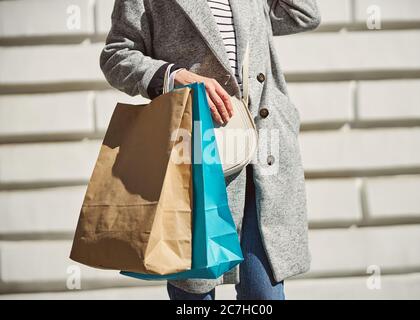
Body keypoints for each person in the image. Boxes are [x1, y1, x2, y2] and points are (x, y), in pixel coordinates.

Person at [100, 0, 321, 300]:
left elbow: (303, 13)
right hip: (194, 152)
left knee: (264, 293)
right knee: (196, 295)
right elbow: (116, 55)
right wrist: (173, 76)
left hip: (262, 150)